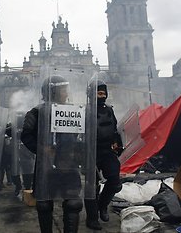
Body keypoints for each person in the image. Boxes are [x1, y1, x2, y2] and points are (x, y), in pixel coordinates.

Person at [21, 75, 91, 233]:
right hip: (47, 165)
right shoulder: (36, 112)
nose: (66, 93)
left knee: (74, 203)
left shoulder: (73, 111)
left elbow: (81, 135)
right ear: (53, 91)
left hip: (69, 164)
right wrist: (41, 149)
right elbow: (26, 135)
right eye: (63, 89)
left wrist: (79, 150)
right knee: (44, 203)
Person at [84, 80, 123, 230]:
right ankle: (92, 218)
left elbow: (114, 128)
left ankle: (102, 205)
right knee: (91, 187)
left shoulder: (109, 110)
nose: (102, 96)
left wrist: (116, 142)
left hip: (107, 151)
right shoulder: (85, 110)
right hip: (91, 152)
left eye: (103, 93)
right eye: (98, 93)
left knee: (114, 181)